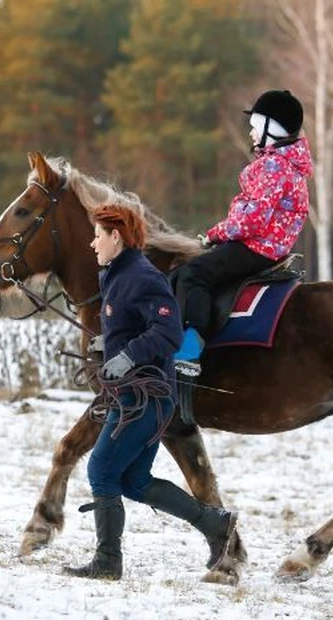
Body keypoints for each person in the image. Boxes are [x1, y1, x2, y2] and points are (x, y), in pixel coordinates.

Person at [65, 203, 238, 580]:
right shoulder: (115, 275)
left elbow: (168, 332)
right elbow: (132, 325)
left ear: (117, 237)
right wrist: (107, 347)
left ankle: (108, 563)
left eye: (97, 236)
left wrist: (127, 357)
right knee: (133, 481)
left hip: (146, 398)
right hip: (132, 396)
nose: (92, 244)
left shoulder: (144, 277)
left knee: (101, 470)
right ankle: (215, 524)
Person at [174, 89, 313, 375]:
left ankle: (190, 347)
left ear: (270, 129)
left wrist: (214, 234)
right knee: (181, 273)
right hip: (265, 247)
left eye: (254, 127)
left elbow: (252, 220)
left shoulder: (274, 166)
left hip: (255, 247)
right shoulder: (286, 166)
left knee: (193, 273)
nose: (250, 133)